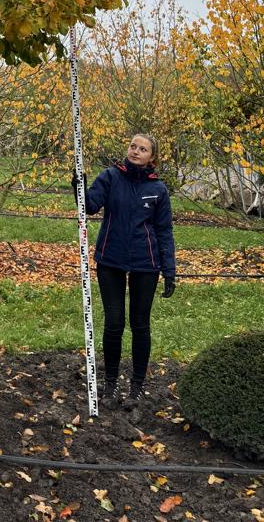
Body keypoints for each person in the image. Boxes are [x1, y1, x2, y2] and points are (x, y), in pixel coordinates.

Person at [72, 133, 176, 410]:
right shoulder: (110, 177)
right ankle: (110, 384)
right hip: (111, 259)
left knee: (140, 324)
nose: (136, 151)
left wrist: (169, 270)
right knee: (114, 322)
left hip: (146, 262)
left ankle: (137, 387)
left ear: (151, 157)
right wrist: (79, 187)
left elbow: (164, 231)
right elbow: (90, 206)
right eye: (133, 146)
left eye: (143, 149)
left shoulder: (159, 190)